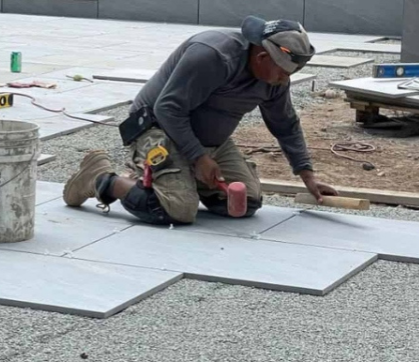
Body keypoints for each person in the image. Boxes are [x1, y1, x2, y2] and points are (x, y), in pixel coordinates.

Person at [63, 15, 337, 225]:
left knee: (243, 203)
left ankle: (175, 178)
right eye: (283, 72)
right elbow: (168, 108)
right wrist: (198, 158)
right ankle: (102, 178)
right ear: (263, 56)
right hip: (159, 128)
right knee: (177, 211)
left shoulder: (274, 79)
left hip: (209, 142)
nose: (284, 80)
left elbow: (285, 125)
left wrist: (307, 175)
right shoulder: (213, 55)